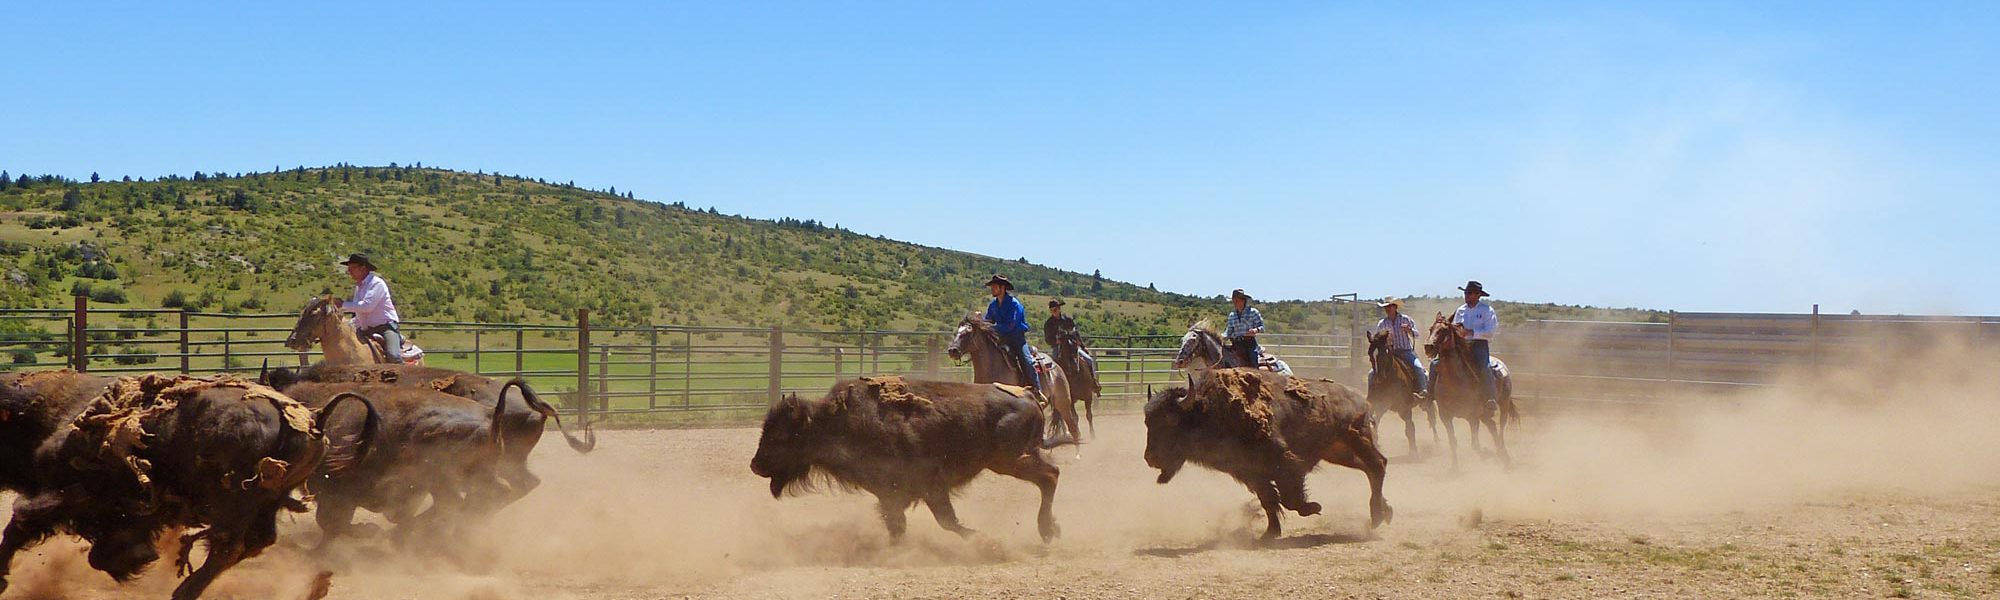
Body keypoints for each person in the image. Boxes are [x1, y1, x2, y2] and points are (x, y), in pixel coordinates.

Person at [338, 253, 403, 364]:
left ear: (363, 268)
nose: (349, 271)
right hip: (365, 329)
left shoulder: (377, 283)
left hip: (385, 327)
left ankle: (403, 376)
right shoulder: (359, 287)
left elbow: (366, 306)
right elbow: (359, 311)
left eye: (352, 268)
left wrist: (342, 305)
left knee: (393, 356)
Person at [983, 275, 1041, 396]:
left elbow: (1011, 325)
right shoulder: (993, 306)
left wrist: (992, 327)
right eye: (992, 286)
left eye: (994, 286)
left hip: (1016, 339)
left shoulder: (1014, 304)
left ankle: (1037, 391)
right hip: (1000, 339)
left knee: (1027, 361)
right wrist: (981, 323)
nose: (992, 289)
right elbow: (987, 320)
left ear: (1002, 288)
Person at [1451, 281, 1499, 411]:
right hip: (1461, 345)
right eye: (1466, 293)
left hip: (1479, 345)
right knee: (1438, 363)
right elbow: (1454, 327)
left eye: (1469, 293)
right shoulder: (1460, 310)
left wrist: (1472, 333)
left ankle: (1490, 397)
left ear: (1478, 295)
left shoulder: (1487, 310)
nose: (1466, 295)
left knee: (1484, 367)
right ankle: (1431, 394)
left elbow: (1491, 332)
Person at [1369, 298, 1427, 396]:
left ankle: (1423, 393)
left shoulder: (1405, 319)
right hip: (1389, 353)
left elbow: (1417, 335)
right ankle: (1371, 397)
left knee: (1419, 369)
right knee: (1371, 374)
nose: (1387, 309)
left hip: (1406, 351)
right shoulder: (1382, 323)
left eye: (1389, 306)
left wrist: (1409, 330)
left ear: (1395, 307)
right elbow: (1377, 338)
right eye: (1385, 307)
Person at [1044, 299, 1098, 384]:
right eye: (1051, 310)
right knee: (1052, 365)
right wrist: (1055, 341)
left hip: (1072, 344)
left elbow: (1076, 333)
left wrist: (1083, 346)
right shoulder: (1049, 324)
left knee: (1089, 360)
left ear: (1059, 309)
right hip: (1058, 346)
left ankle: (1094, 382)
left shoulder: (1067, 319)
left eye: (1055, 310)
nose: (1053, 312)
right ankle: (1052, 385)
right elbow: (1047, 339)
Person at [1224, 289, 1265, 368]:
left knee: (1253, 359)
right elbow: (1228, 332)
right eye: (1233, 300)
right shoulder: (1232, 315)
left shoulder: (1253, 312)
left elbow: (1262, 327)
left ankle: (1256, 375)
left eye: (1236, 300)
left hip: (1249, 343)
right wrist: (1221, 337)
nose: (1234, 302)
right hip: (1236, 344)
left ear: (1243, 300)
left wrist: (1255, 330)